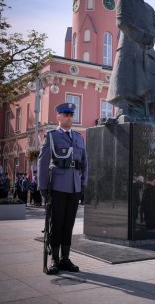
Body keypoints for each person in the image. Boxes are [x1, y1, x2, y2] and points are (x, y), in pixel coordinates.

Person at [38, 103, 88, 274]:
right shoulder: (52, 136)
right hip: (58, 187)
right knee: (56, 224)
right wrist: (43, 187)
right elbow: (43, 162)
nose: (69, 118)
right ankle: (55, 260)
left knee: (69, 224)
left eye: (71, 115)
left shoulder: (79, 137)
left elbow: (85, 163)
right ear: (58, 117)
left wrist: (83, 185)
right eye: (65, 115)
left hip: (74, 186)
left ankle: (66, 258)